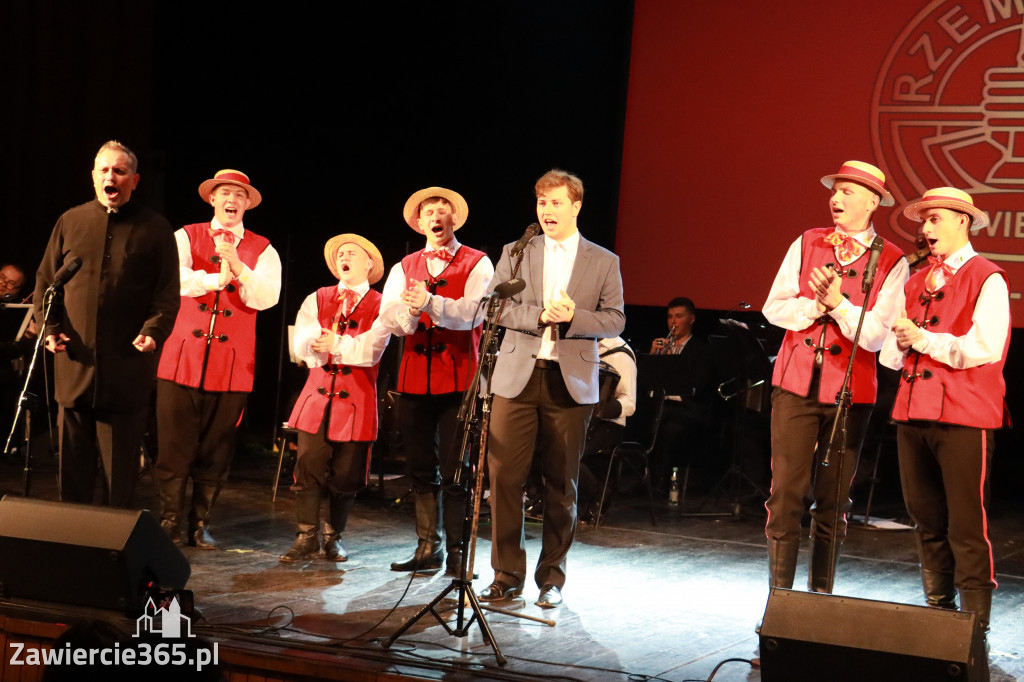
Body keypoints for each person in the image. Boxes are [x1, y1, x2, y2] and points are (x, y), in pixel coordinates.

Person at [479, 169, 624, 608]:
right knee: (504, 478)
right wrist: (539, 316)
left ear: (576, 206)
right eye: (542, 202)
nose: (547, 211)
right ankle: (506, 576)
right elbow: (493, 305)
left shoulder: (603, 260)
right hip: (516, 377)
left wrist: (572, 318)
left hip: (571, 382)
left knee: (562, 484)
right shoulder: (517, 252)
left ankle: (552, 579)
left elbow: (615, 319)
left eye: (556, 202)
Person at [762, 160, 908, 593]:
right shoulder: (807, 242)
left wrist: (839, 304)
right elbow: (774, 307)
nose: (836, 199)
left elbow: (879, 333)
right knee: (785, 495)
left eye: (848, 192)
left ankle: (819, 599)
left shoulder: (893, 259)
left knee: (832, 500)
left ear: (872, 202)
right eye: (835, 191)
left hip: (850, 392)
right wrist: (814, 304)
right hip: (794, 384)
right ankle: (780, 600)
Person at [881, 187, 1009, 640]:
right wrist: (901, 342)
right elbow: (892, 358)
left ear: (962, 221)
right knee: (926, 519)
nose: (927, 228)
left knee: (966, 526)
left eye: (936, 219)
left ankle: (975, 627)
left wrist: (923, 339)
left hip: (963, 417)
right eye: (925, 220)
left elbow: (984, 348)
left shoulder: (987, 277)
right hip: (913, 414)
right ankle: (939, 611)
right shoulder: (916, 281)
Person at [33, 140, 179, 507]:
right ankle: (74, 543)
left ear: (134, 180)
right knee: (73, 473)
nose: (110, 177)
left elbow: (166, 293)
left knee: (119, 479)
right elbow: (46, 284)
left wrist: (153, 332)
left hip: (126, 364)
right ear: (93, 176)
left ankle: (115, 549)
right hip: (75, 360)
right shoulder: (71, 221)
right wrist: (49, 330)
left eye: (119, 171)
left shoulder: (156, 229)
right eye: (104, 170)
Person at [153, 170, 281, 548]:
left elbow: (267, 297)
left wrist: (239, 268)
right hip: (182, 357)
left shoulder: (263, 249)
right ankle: (170, 521)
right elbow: (173, 280)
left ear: (246, 203)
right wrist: (213, 279)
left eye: (240, 195)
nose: (232, 200)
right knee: (174, 445)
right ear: (212, 198)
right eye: (225, 193)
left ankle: (199, 523)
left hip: (232, 364)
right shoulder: (185, 235)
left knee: (216, 448)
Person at [378, 187, 493, 576]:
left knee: (456, 468)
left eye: (443, 210)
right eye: (429, 211)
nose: (436, 216)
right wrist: (408, 313)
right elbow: (389, 316)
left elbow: (473, 313)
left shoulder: (477, 262)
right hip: (413, 378)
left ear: (454, 220)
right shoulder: (404, 265)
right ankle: (429, 547)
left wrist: (430, 302)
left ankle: (460, 557)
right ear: (419, 221)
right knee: (421, 467)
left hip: (459, 379)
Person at [280, 234, 390, 563]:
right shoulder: (319, 297)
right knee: (308, 466)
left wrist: (336, 343)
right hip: (317, 399)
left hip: (356, 401)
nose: (345, 257)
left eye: (352, 253)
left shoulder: (382, 304)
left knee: (347, 475)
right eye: (341, 253)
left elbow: (373, 348)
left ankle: (333, 535)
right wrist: (312, 346)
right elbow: (300, 338)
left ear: (369, 263)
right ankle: (306, 535)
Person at [646, 296, 712, 484]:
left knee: (670, 428)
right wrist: (654, 358)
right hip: (662, 405)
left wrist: (671, 366)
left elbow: (697, 387)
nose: (673, 322)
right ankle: (642, 476)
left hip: (688, 408)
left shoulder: (701, 350)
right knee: (639, 419)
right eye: (670, 317)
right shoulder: (662, 346)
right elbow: (648, 383)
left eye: (679, 316)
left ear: (691, 319)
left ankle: (662, 481)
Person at [578, 335, 636, 522]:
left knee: (565, 454)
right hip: (580, 420)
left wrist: (602, 408)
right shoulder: (580, 344)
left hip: (608, 425)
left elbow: (629, 403)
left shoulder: (621, 354)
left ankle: (600, 492)